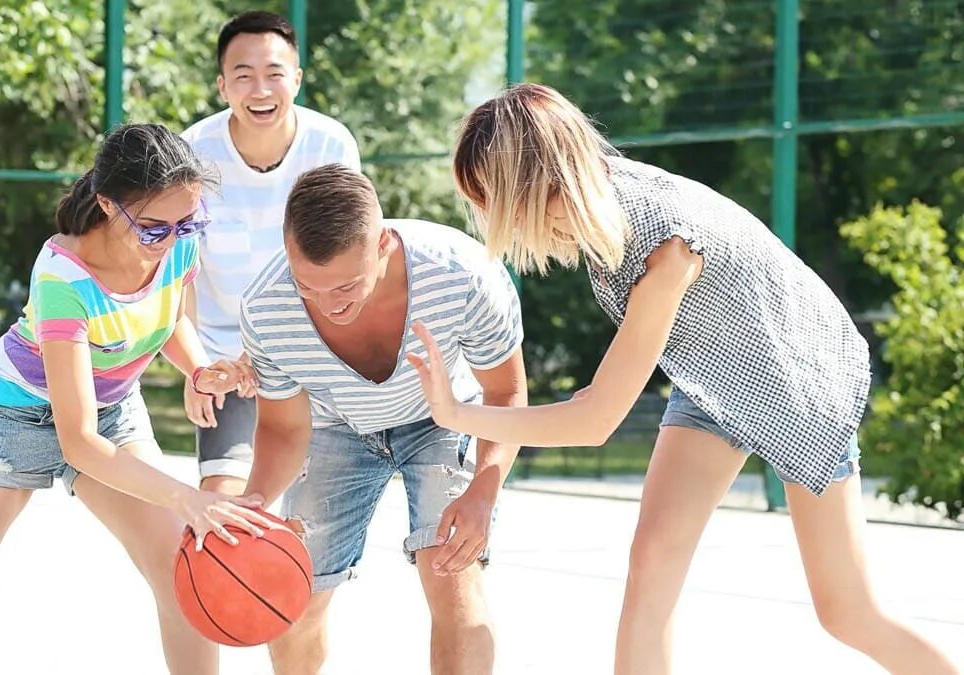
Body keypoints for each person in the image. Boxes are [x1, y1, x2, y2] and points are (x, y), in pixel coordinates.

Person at [408, 82, 960, 675]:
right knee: (651, 568)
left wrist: (457, 413)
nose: (494, 218)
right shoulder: (601, 211)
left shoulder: (664, 246)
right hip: (712, 381)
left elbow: (596, 421)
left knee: (848, 612)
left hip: (800, 381)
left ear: (537, 181)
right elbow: (610, 392)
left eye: (494, 198)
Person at [0, 123, 274, 674]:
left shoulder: (179, 238)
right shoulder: (64, 278)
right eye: (157, 226)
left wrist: (200, 367)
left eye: (190, 219)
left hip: (108, 410)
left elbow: (170, 316)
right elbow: (79, 442)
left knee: (182, 579)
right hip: (17, 419)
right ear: (110, 205)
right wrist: (186, 497)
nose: (177, 233)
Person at [239, 165, 527, 675]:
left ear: (384, 244)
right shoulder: (266, 308)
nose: (329, 306)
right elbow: (283, 428)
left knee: (451, 573)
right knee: (295, 596)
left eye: (346, 285)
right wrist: (255, 503)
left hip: (443, 418)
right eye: (309, 286)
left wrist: (484, 489)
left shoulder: (462, 273)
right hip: (337, 426)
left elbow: (504, 393)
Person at [181, 10, 360, 497]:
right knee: (223, 507)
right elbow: (180, 274)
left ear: (297, 80)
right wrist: (196, 369)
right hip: (225, 363)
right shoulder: (193, 152)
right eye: (244, 76)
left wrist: (276, 348)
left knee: (308, 526)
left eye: (274, 74)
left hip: (312, 355)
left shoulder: (331, 145)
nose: (260, 90)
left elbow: (350, 263)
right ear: (222, 86)